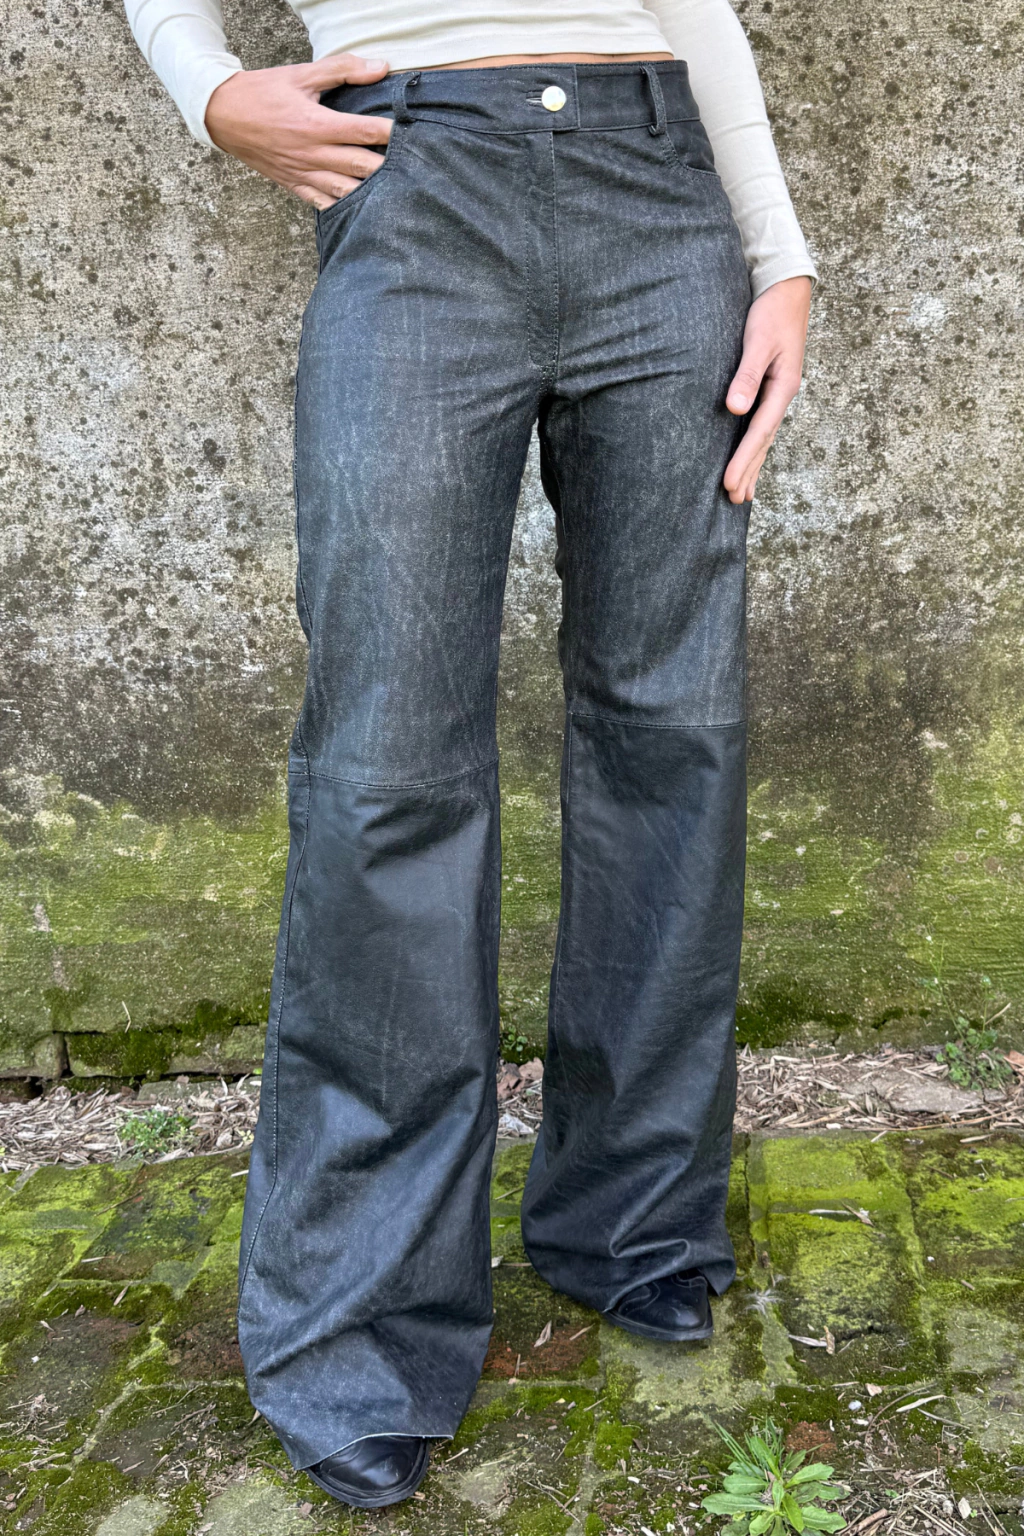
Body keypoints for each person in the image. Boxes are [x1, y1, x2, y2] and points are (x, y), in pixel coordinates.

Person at [125, 0, 815, 1510]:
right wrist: (210, 89)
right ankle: (361, 1330)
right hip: (417, 186)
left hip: (659, 189)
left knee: (673, 735)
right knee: (387, 769)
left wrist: (779, 257)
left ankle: (631, 1222)